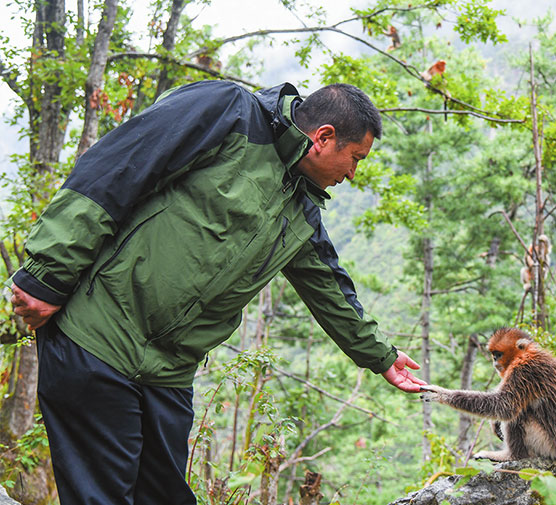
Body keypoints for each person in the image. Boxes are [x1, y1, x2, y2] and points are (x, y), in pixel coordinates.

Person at [9, 80, 426, 505]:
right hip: (96, 338)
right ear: (324, 137)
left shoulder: (300, 209)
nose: (353, 174)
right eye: (355, 159)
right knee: (102, 497)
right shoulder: (230, 113)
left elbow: (331, 290)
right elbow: (120, 166)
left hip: (166, 373)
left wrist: (383, 358)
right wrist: (48, 274)